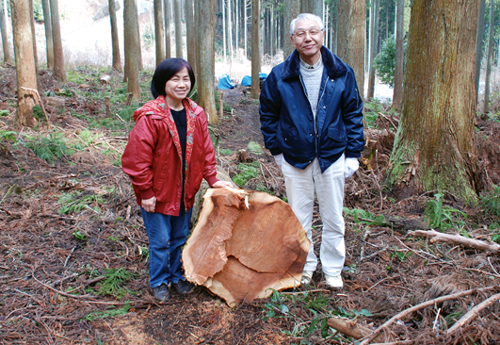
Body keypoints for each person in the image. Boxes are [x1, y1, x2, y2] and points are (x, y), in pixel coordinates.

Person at [259, 13, 364, 289]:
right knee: (298, 218)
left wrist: (353, 154)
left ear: (322, 35)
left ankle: (332, 270)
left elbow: (353, 113)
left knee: (333, 218)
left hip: (332, 157)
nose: (308, 38)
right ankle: (303, 267)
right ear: (292, 39)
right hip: (295, 158)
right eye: (301, 33)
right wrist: (278, 152)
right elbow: (268, 115)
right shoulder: (280, 76)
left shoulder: (341, 72)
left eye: (313, 32)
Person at [122, 58, 232, 302]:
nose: (182, 84)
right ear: (163, 81)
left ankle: (176, 276)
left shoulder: (196, 113)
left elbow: (205, 150)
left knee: (180, 238)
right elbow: (136, 160)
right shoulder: (151, 117)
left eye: (186, 79)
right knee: (160, 241)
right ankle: (159, 281)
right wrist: (146, 192)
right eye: (175, 79)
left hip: (185, 190)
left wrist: (212, 177)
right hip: (158, 193)